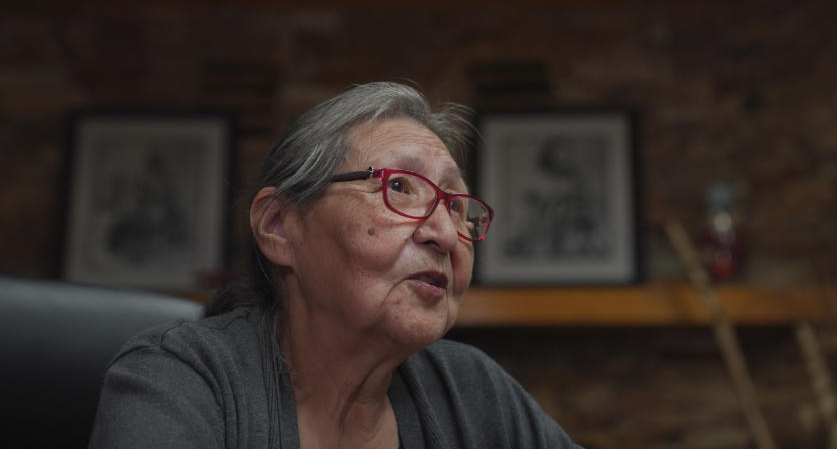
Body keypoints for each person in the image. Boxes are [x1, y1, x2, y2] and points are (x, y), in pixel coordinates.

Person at [88, 81, 583, 449]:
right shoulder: (181, 378)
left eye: (456, 205)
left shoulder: (472, 392)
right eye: (399, 187)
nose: (445, 233)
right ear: (280, 226)